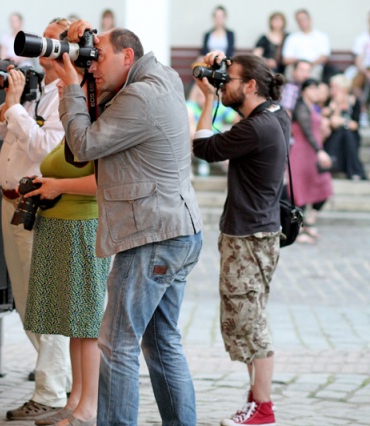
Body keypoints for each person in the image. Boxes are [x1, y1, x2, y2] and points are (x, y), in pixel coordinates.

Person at [53, 21, 204, 426]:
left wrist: (71, 86)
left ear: (128, 56)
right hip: (178, 230)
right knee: (162, 342)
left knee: (116, 343)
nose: (92, 64)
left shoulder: (139, 95)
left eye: (98, 56)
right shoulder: (163, 78)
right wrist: (89, 70)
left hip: (151, 236)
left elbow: (84, 145)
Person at [192, 51, 289, 426]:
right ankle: (255, 398)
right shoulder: (275, 115)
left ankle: (263, 408)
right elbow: (241, 122)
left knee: (251, 324)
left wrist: (205, 100)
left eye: (228, 78)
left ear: (250, 85)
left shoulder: (254, 129)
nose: (222, 84)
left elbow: (202, 147)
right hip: (260, 232)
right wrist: (218, 87)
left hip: (248, 237)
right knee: (250, 317)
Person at [0, 17, 72, 422]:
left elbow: (46, 149)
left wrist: (15, 111)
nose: (43, 47)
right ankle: (58, 380)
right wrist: (13, 102)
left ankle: (52, 391)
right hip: (12, 202)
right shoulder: (38, 89)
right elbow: (0, 129)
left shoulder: (69, 96)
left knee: (44, 304)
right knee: (25, 303)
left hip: (39, 204)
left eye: (52, 41)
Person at [23, 140, 111, 426]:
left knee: (86, 323)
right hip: (58, 227)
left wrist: (58, 187)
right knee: (74, 323)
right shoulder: (75, 127)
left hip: (82, 228)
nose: (61, 91)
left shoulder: (98, 126)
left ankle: (89, 409)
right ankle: (75, 402)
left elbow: (106, 182)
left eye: (67, 89)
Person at [288, 78, 334, 244]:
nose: (316, 92)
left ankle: (309, 222)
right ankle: (297, 230)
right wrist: (320, 150)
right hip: (302, 153)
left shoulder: (312, 108)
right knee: (300, 191)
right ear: (305, 90)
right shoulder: (300, 108)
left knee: (323, 187)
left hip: (313, 152)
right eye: (313, 88)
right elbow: (307, 131)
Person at [186, 82, 239, 176]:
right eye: (200, 95)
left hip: (215, 138)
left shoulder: (219, 107)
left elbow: (236, 119)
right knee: (189, 133)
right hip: (197, 138)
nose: (202, 98)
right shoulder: (191, 107)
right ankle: (190, 167)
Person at [323, 73, 368, 180]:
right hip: (334, 135)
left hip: (350, 134)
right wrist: (337, 106)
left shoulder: (354, 101)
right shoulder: (329, 101)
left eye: (335, 87)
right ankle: (355, 171)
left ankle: (341, 167)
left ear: (343, 88)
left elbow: (355, 125)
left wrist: (343, 122)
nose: (332, 90)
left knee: (347, 134)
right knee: (344, 134)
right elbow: (333, 123)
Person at [281, 9, 331, 81]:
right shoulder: (292, 38)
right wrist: (300, 65)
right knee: (290, 70)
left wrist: (308, 65)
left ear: (310, 19)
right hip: (296, 66)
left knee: (314, 71)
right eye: (299, 20)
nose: (302, 22)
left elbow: (324, 57)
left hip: (314, 66)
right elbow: (286, 59)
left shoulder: (322, 36)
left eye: (304, 19)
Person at [351, 11, 370, 125]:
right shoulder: (362, 38)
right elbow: (358, 61)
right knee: (359, 80)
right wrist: (366, 72)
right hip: (364, 70)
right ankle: (362, 110)